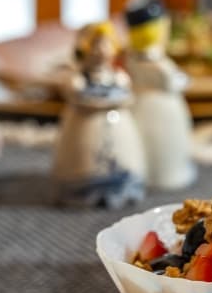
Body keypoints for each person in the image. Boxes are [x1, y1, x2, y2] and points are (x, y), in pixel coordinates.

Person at [51, 21, 146, 208]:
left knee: (121, 160)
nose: (101, 50)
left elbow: (127, 95)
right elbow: (77, 94)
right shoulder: (77, 80)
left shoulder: (119, 77)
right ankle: (79, 191)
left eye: (106, 44)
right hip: (84, 126)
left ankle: (124, 189)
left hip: (117, 126)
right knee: (83, 164)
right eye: (95, 44)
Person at [124, 0, 197, 189]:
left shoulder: (132, 57)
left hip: (139, 103)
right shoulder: (155, 61)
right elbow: (171, 80)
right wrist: (184, 79)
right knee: (163, 142)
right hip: (162, 108)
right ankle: (167, 175)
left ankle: (157, 174)